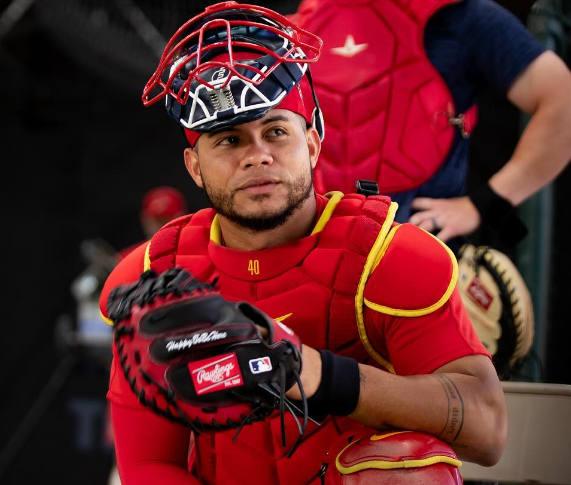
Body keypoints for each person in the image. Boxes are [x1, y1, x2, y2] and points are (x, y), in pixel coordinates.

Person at [99, 3, 507, 484]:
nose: (257, 156)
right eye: (228, 140)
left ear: (312, 144)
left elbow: (487, 429)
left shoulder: (388, 259)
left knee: (407, 469)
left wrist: (313, 373)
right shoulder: (153, 276)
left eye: (275, 131)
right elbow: (147, 465)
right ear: (194, 166)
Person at [294, 0, 571, 246]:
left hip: (419, 256)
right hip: (315, 251)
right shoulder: (300, 25)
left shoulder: (463, 18)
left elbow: (563, 101)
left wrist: (484, 204)